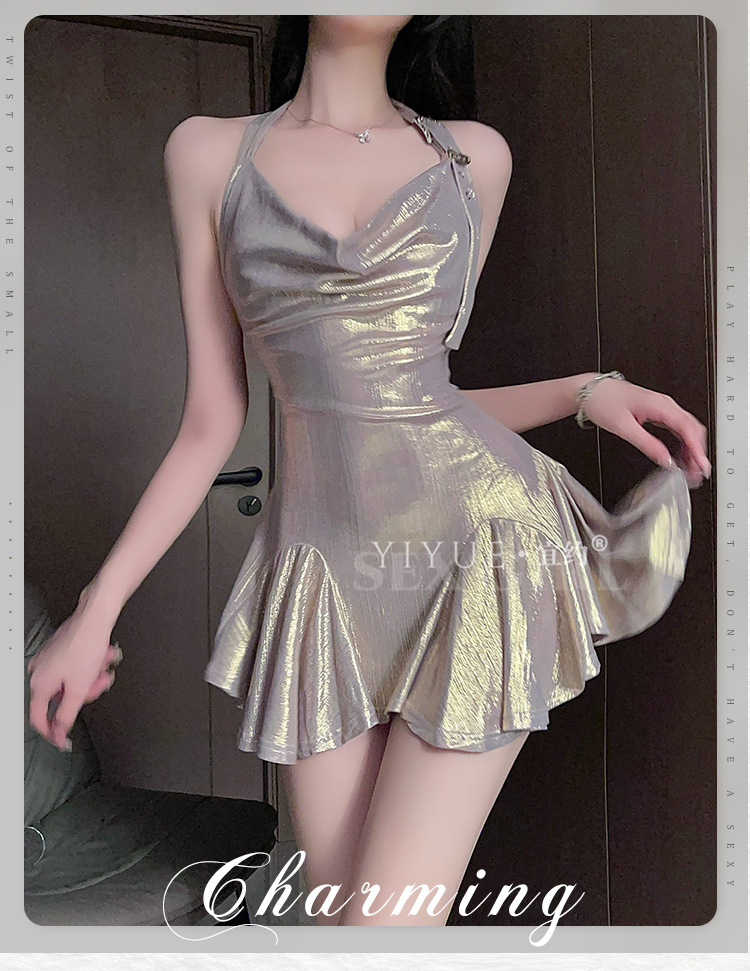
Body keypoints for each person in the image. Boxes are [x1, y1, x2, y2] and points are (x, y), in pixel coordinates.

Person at [28, 15, 711, 927]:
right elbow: (212, 422)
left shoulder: (475, 159)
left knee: (386, 928)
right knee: (334, 918)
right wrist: (95, 609)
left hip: (478, 551)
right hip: (321, 579)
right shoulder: (206, 154)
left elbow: (419, 398)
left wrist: (585, 392)